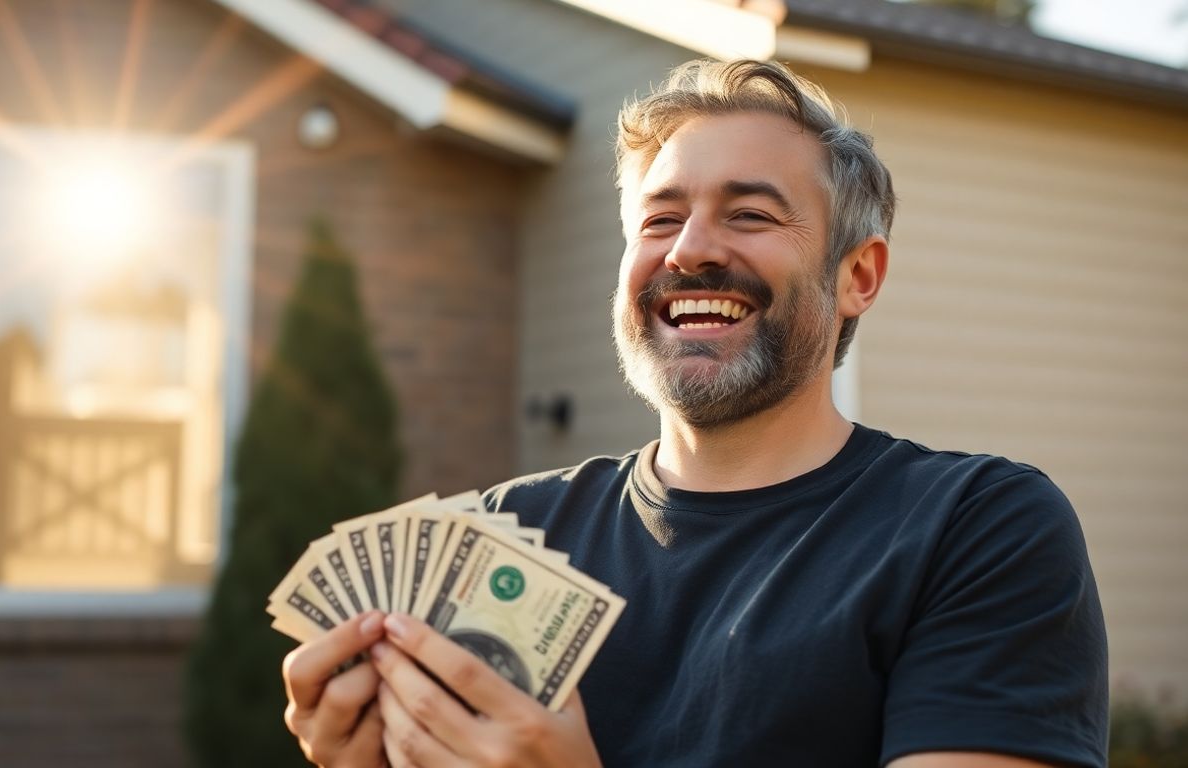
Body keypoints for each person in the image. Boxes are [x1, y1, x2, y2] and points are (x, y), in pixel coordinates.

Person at [280, 59, 1109, 767]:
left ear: (858, 275)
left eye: (748, 214)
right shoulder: (503, 533)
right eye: (660, 220)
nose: (689, 251)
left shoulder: (976, 528)